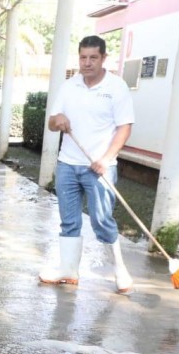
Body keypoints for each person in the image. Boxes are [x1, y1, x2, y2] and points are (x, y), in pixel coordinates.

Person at [39, 35, 135, 293]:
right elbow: (51, 122)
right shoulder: (69, 87)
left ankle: (120, 271)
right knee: (68, 221)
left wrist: (106, 159)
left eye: (93, 57)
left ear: (104, 58)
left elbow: (125, 127)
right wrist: (57, 119)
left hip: (100, 167)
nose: (87, 62)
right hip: (68, 165)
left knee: (102, 219)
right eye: (83, 57)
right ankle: (68, 270)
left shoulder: (117, 87)